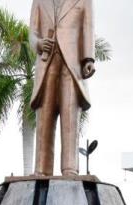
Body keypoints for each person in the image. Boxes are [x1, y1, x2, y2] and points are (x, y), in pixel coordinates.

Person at [30, 0, 96, 176]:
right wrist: (38, 43)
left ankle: (70, 168)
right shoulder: (39, 1)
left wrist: (88, 58)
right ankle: (42, 168)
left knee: (70, 117)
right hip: (46, 64)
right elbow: (33, 33)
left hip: (72, 65)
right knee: (44, 116)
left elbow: (87, 27)